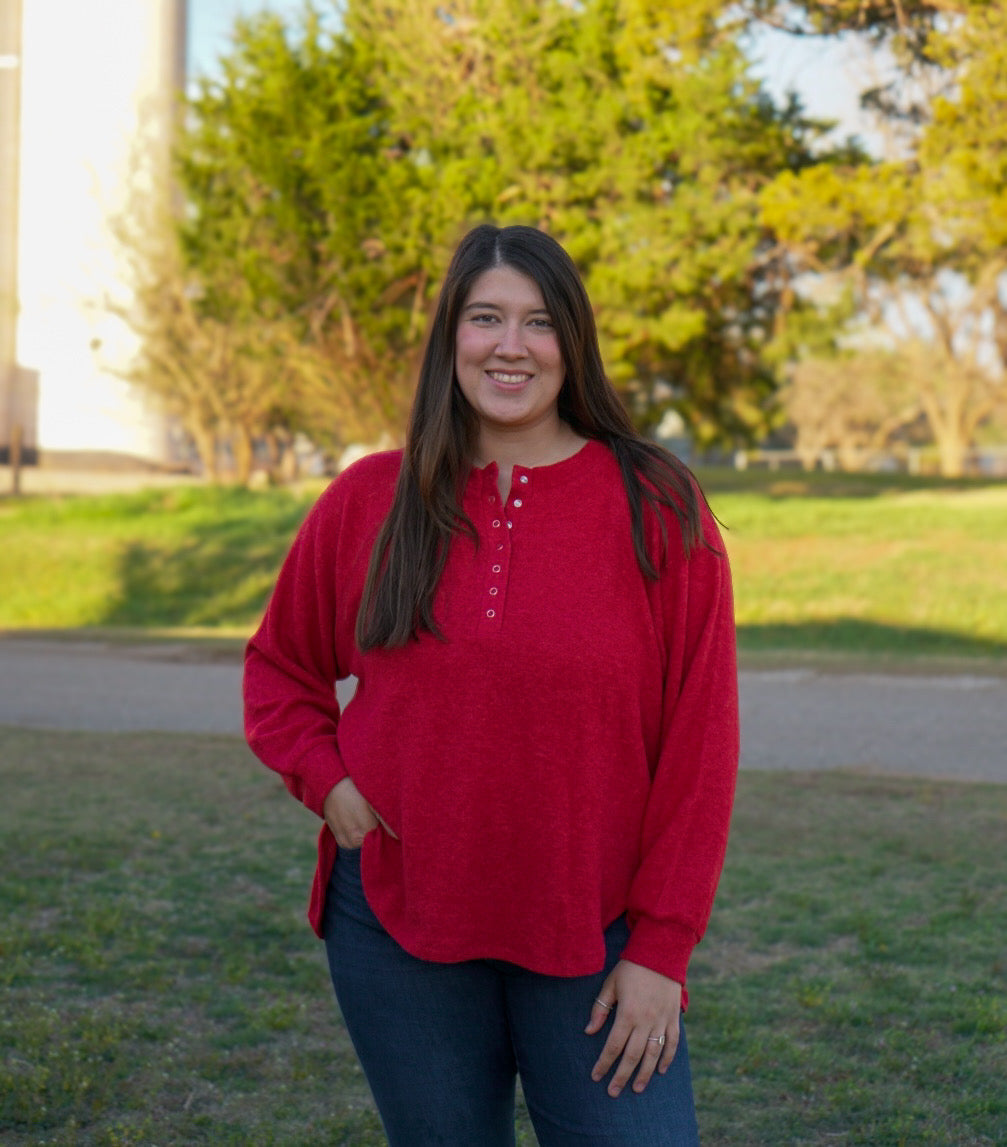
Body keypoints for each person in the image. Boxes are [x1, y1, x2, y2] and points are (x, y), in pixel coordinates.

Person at [243, 223, 739, 1146]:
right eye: (485, 317)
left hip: (593, 935)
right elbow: (280, 667)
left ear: (572, 344)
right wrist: (328, 778)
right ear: (451, 336)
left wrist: (661, 949)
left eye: (539, 322)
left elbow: (700, 746)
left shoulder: (656, 503)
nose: (511, 345)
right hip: (399, 924)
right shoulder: (371, 499)